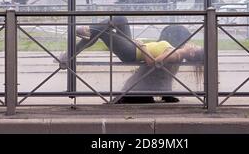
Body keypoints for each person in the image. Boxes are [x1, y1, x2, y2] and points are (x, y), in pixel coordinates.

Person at [69, 16, 204, 103]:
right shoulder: (176, 52)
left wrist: (142, 45)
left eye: (195, 47)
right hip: (133, 46)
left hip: (131, 51)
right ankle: (85, 35)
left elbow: (153, 63)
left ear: (191, 54)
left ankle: (84, 35)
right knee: (121, 20)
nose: (191, 43)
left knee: (104, 32)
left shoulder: (175, 55)